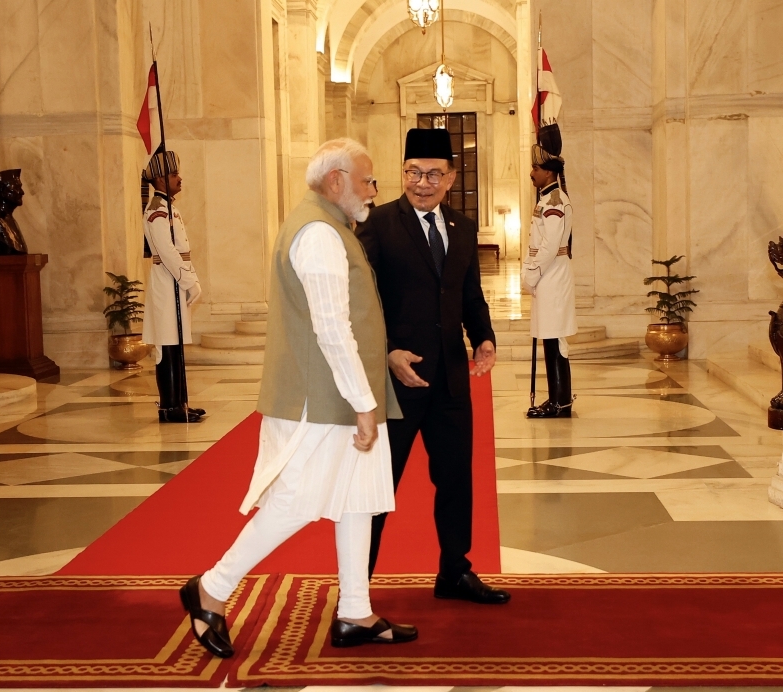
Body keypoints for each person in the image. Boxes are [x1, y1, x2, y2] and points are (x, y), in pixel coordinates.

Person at [179, 138, 417, 659]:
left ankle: (355, 611)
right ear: (336, 181)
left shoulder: (332, 227)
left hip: (343, 390)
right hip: (322, 397)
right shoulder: (318, 234)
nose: (374, 191)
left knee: (358, 499)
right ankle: (211, 588)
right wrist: (363, 402)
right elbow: (331, 327)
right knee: (293, 501)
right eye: (367, 179)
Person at [357, 128, 509, 605]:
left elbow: (469, 294)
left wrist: (482, 336)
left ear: (451, 177)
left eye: (432, 174)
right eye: (412, 173)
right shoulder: (378, 225)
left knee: (456, 480)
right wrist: (386, 352)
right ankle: (356, 587)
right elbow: (361, 300)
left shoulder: (462, 229)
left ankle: (454, 571)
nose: (421, 183)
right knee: (379, 487)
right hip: (396, 380)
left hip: (449, 381)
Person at [142, 151, 206, 423]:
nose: (179, 178)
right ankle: (169, 409)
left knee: (176, 345)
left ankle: (180, 403)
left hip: (175, 280)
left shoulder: (169, 208)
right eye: (173, 174)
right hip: (168, 281)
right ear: (159, 179)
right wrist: (188, 280)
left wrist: (190, 279)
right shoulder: (157, 211)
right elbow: (167, 252)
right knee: (167, 346)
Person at [523, 121, 577, 418]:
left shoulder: (555, 202)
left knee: (556, 340)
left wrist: (531, 273)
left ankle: (562, 402)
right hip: (548, 277)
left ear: (549, 171)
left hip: (552, 276)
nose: (532, 173)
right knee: (550, 337)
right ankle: (557, 398)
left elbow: (549, 245)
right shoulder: (546, 199)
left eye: (535, 168)